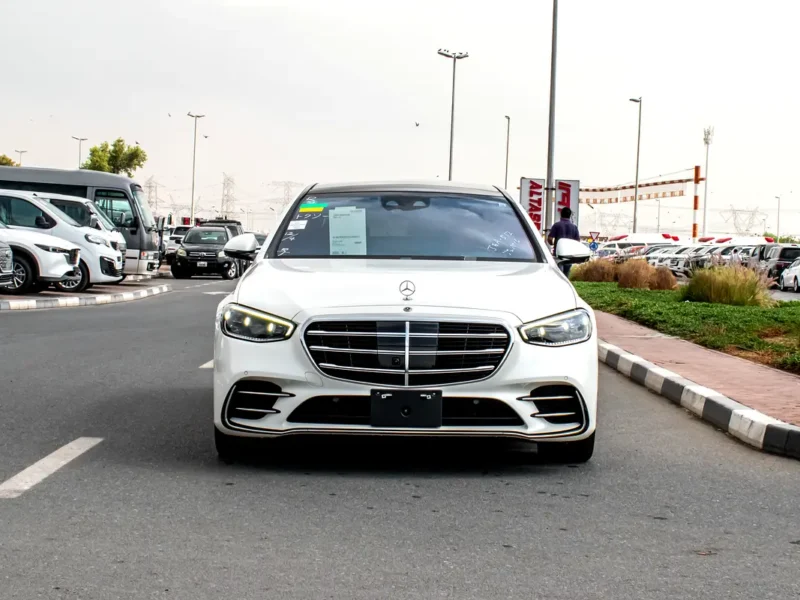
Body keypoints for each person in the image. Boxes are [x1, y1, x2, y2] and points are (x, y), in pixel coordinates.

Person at [547, 207, 581, 277]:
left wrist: (553, 244)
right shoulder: (574, 227)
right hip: (569, 254)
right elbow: (577, 241)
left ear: (561, 214)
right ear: (570, 215)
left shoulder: (556, 225)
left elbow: (550, 239)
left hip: (558, 253)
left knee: (559, 273)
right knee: (566, 274)